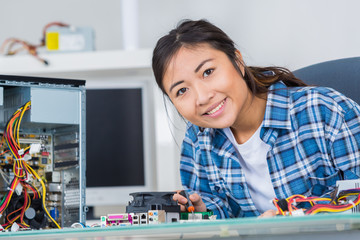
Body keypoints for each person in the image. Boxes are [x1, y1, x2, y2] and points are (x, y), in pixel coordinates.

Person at [152, 19, 360, 218]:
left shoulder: (324, 110)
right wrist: (203, 211)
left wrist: (291, 216)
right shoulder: (197, 141)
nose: (202, 97)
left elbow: (357, 195)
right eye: (182, 90)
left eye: (208, 72)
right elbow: (220, 209)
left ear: (238, 61)